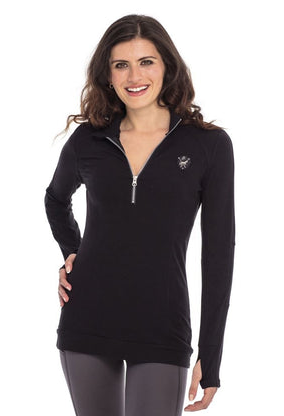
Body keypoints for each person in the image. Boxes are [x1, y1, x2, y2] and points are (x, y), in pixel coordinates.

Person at [44, 14, 235, 416]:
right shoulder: (89, 140)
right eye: (121, 65)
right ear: (108, 75)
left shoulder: (208, 145)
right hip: (87, 320)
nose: (134, 76)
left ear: (167, 66)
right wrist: (73, 252)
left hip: (162, 326)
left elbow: (218, 256)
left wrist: (211, 353)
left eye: (146, 62)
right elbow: (55, 199)